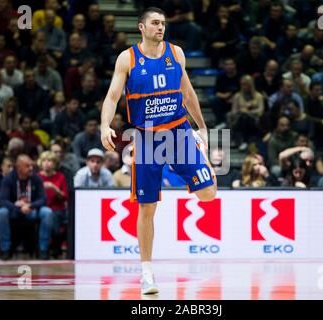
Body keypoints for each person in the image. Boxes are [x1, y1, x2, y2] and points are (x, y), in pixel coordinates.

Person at [100, 7, 217, 295]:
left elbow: (188, 93)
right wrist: (105, 126)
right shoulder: (127, 58)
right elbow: (112, 96)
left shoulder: (176, 53)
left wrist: (201, 127)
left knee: (208, 194)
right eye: (155, 23)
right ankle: (147, 272)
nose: (160, 27)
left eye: (163, 23)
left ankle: (196, 156)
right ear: (141, 27)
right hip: (147, 139)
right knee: (147, 207)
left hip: (179, 132)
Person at [0, 154, 53, 260]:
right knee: (2, 212)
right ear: (19, 167)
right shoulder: (9, 178)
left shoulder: (36, 178)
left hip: (31, 210)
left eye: (31, 165)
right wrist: (17, 207)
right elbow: (3, 200)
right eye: (27, 166)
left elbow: (43, 198)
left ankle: (43, 249)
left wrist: (30, 206)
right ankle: (5, 249)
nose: (31, 168)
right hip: (14, 211)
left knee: (47, 212)